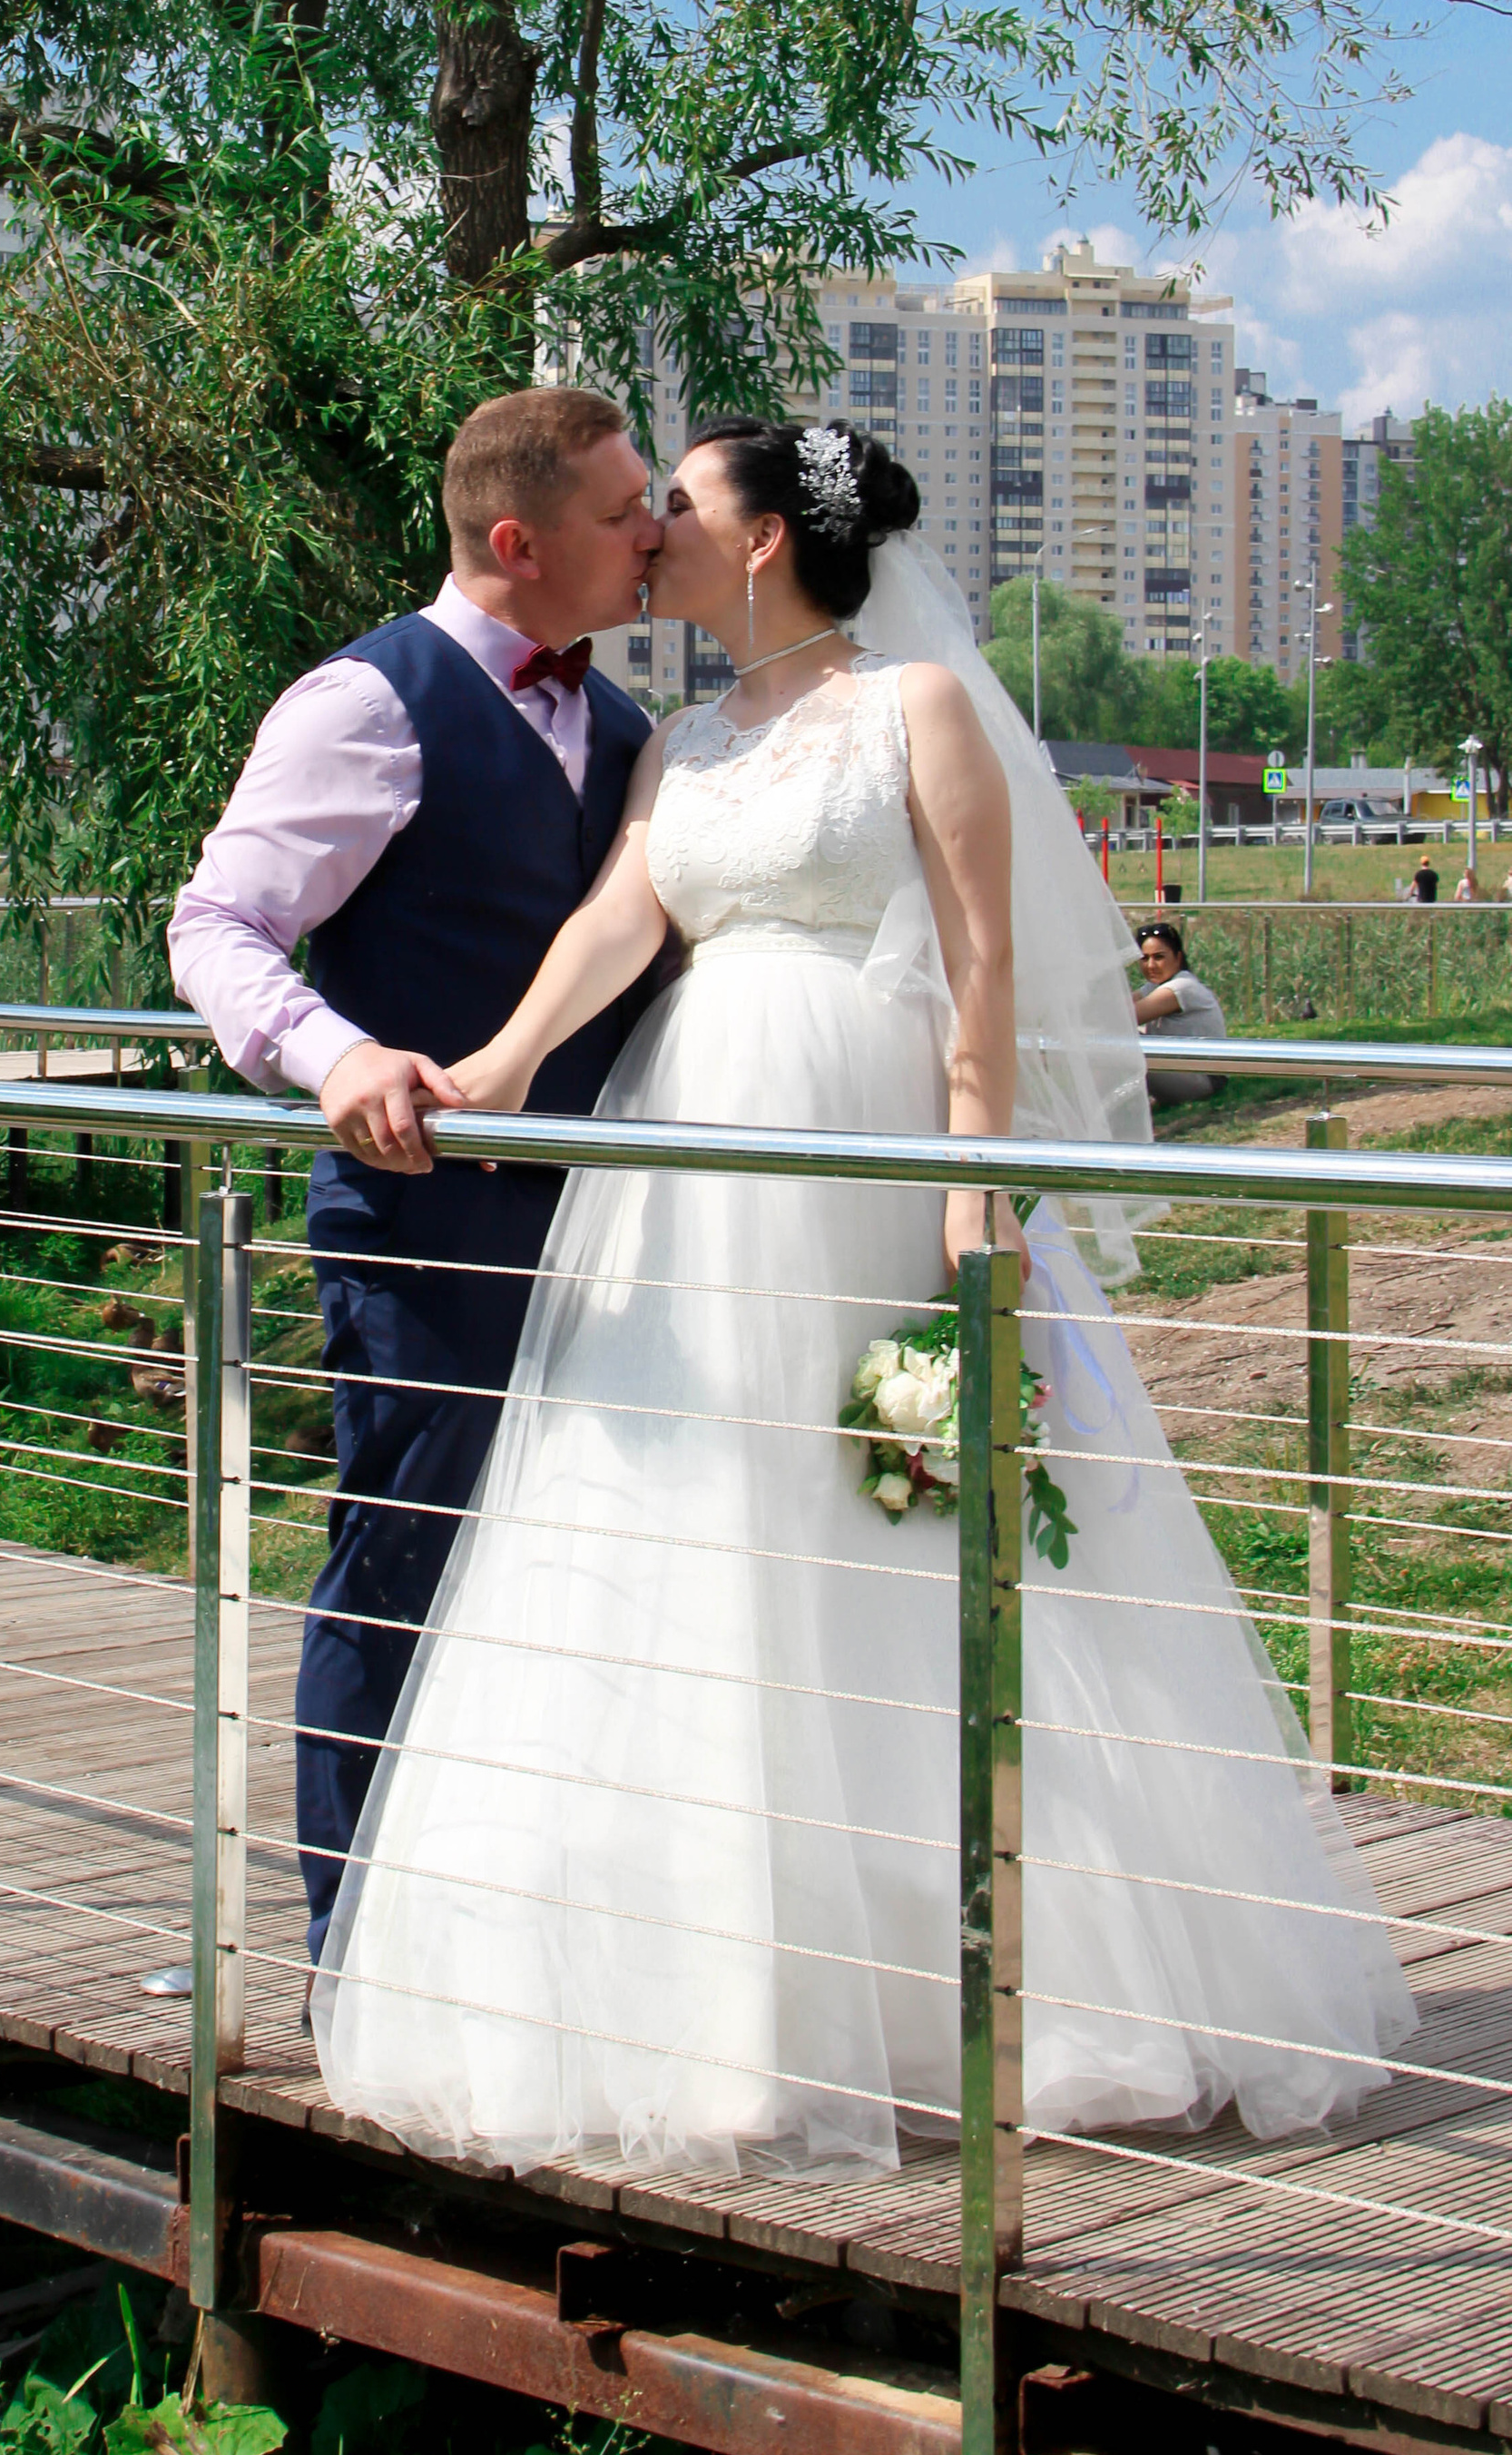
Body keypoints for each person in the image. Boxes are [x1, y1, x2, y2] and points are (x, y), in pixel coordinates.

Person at [313, 417, 1412, 2178]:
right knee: (692, 1546)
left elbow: (979, 975)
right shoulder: (679, 740)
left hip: (864, 1166)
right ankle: (732, 2022)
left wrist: (971, 1209)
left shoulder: (919, 714)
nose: (649, 526)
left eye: (678, 501)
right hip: (687, 1182)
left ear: (760, 543)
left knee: (891, 1541)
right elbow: (617, 924)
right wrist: (502, 1060)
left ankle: (993, 1995)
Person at [168, 387, 664, 1958]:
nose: (652, 534)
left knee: (581, 1587)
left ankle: (523, 1944)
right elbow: (213, 930)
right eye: (618, 512)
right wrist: (339, 1059)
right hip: (427, 1225)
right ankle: (350, 1955)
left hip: (616, 1236)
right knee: (405, 1555)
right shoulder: (367, 704)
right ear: (518, 541)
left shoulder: (636, 732)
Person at [1134, 918, 1228, 1104]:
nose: (1150, 965)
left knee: (1120, 1042)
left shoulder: (1181, 987)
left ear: (1178, 958)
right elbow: (1118, 1006)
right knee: (1114, 1039)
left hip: (1203, 1079)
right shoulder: (1155, 986)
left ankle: (1097, 1115)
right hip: (1183, 1070)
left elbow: (1122, 1017)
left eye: (1159, 957)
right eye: (1144, 958)